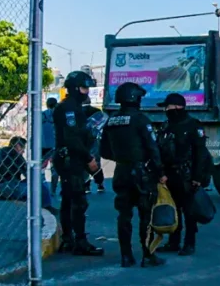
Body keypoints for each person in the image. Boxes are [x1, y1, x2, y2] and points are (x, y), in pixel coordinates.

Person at [100, 82, 167, 268]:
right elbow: (152, 148)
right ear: (134, 98)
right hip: (141, 173)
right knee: (146, 214)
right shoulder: (140, 119)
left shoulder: (111, 120)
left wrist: (123, 158)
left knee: (124, 215)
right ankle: (147, 254)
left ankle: (126, 256)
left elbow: (104, 151)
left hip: (121, 171)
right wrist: (160, 171)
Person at [52, 71, 104, 256]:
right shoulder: (69, 108)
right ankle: (79, 241)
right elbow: (72, 138)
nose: (87, 91)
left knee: (68, 200)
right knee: (78, 202)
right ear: (74, 88)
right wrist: (89, 158)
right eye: (84, 88)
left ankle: (68, 238)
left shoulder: (72, 107)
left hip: (68, 159)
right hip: (70, 160)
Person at [155, 93, 209, 256]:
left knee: (189, 211)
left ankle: (189, 243)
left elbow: (201, 153)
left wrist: (197, 178)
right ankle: (173, 242)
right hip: (169, 175)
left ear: (178, 107)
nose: (166, 110)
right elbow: (160, 150)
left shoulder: (193, 125)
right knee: (174, 209)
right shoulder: (166, 126)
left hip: (187, 175)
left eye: (168, 107)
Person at [0, 136, 55, 212]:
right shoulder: (14, 154)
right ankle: (47, 207)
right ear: (17, 146)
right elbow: (29, 174)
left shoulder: (0, 152)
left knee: (32, 184)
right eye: (22, 147)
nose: (23, 151)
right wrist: (41, 170)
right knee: (40, 185)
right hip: (7, 186)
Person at [83, 103, 107, 194]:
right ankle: (100, 183)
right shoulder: (96, 111)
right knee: (96, 162)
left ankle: (86, 185)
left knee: (84, 163)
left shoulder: (77, 111)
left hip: (82, 141)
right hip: (94, 139)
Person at [42, 97, 58, 195]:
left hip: (43, 145)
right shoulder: (59, 116)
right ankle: (53, 190)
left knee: (41, 169)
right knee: (54, 169)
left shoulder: (41, 115)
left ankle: (43, 188)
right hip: (55, 145)